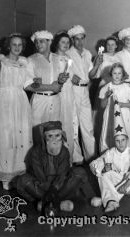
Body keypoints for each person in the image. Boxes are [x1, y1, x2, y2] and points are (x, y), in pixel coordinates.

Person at [0, 33, 33, 190]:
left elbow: (28, 83)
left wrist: (38, 84)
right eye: (14, 45)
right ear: (9, 46)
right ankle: (6, 175)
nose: (17, 48)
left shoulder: (25, 63)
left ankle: (19, 173)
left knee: (20, 135)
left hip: (21, 101)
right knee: (5, 136)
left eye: (20, 45)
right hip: (4, 102)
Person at [16, 121, 93, 214]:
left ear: (62, 136)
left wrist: (54, 189)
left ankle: (46, 203)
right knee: (21, 180)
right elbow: (39, 175)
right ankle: (57, 203)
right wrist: (48, 190)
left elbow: (62, 174)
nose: (54, 140)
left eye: (57, 136)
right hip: (42, 186)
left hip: (60, 187)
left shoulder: (64, 151)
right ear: (44, 137)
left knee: (80, 172)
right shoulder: (35, 152)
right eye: (50, 136)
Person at [89, 101, 130, 213]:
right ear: (114, 141)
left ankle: (106, 198)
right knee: (102, 173)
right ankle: (112, 201)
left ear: (127, 140)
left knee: (129, 175)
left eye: (123, 140)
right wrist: (98, 168)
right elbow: (97, 161)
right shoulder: (111, 152)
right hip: (116, 181)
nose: (120, 143)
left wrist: (128, 182)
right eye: (117, 141)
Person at [66, 25, 96, 163]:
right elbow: (63, 70)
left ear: (84, 39)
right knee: (73, 124)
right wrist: (71, 75)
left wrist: (97, 65)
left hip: (84, 90)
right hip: (72, 90)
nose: (79, 42)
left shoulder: (88, 53)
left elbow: (91, 74)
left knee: (87, 125)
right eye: (76, 39)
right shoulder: (67, 53)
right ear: (72, 40)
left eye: (81, 39)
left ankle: (91, 156)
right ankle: (76, 157)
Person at [26, 30, 68, 126]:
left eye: (41, 41)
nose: (38, 44)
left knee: (54, 130)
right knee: (37, 132)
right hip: (39, 101)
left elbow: (60, 82)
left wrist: (61, 81)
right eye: (36, 42)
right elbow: (28, 85)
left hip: (56, 100)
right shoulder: (31, 60)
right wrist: (50, 87)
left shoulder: (58, 59)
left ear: (49, 42)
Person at [51, 31, 77, 163]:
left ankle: (69, 161)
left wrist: (74, 78)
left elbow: (71, 75)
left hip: (69, 94)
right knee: (58, 124)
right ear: (56, 43)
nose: (66, 44)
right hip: (58, 94)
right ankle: (56, 161)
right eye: (63, 42)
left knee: (69, 125)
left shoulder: (69, 58)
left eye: (68, 42)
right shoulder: (52, 58)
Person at [99, 63, 130, 153]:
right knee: (110, 134)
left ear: (123, 74)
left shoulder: (127, 89)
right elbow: (102, 105)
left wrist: (121, 104)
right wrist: (106, 97)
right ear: (111, 74)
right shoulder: (106, 88)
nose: (117, 76)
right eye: (115, 73)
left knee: (124, 133)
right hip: (110, 116)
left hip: (124, 116)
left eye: (119, 73)